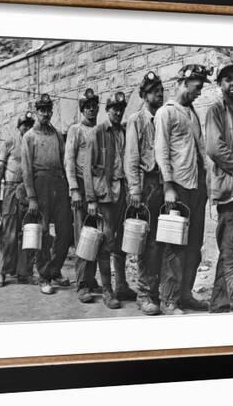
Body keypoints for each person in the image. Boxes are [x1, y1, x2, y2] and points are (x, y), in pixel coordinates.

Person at [154, 64, 211, 315]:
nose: (199, 93)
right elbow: (161, 151)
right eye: (197, 87)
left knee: (194, 245)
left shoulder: (191, 112)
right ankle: (169, 299)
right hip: (178, 187)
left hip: (197, 187)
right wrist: (168, 187)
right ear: (184, 83)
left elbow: (200, 149)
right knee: (175, 247)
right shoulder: (166, 113)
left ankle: (186, 293)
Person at [84, 92, 138, 309]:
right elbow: (88, 169)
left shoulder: (125, 131)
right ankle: (107, 289)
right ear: (107, 110)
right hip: (105, 195)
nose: (118, 112)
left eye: (121, 109)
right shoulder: (97, 133)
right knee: (106, 242)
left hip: (123, 193)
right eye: (114, 109)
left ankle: (122, 285)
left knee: (122, 241)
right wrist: (91, 199)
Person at [21, 93, 74, 295]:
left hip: (59, 183)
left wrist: (69, 188)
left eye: (48, 109)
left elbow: (65, 161)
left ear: (52, 111)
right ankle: (44, 275)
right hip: (40, 183)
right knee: (42, 232)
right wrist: (32, 197)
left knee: (66, 231)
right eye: (41, 110)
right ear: (36, 112)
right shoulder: (29, 137)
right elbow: (26, 169)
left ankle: (55, 269)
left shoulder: (57, 135)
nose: (45, 113)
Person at [205, 62, 233, 312]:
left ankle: (221, 303)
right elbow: (214, 147)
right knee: (232, 247)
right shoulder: (216, 111)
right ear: (220, 84)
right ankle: (232, 305)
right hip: (230, 188)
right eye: (227, 79)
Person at [124, 71, 165, 315]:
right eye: (153, 91)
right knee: (145, 241)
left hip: (162, 184)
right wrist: (135, 190)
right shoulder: (136, 120)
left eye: (160, 90)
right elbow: (131, 157)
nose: (158, 94)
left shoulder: (163, 117)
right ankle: (144, 293)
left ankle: (157, 290)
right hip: (145, 184)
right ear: (144, 95)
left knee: (161, 241)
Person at [0, 112, 35, 287]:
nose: (27, 127)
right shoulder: (9, 143)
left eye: (30, 124)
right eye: (24, 124)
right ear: (18, 127)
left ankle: (24, 272)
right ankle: (2, 272)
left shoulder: (34, 143)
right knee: (8, 233)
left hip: (28, 191)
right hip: (10, 189)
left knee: (27, 232)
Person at [64, 88, 101, 303]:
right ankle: (81, 283)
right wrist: (74, 189)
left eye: (94, 105)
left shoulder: (100, 130)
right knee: (83, 237)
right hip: (81, 189)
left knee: (97, 236)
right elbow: (69, 160)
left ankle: (91, 277)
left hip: (97, 188)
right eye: (87, 106)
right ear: (82, 109)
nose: (91, 109)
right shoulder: (75, 130)